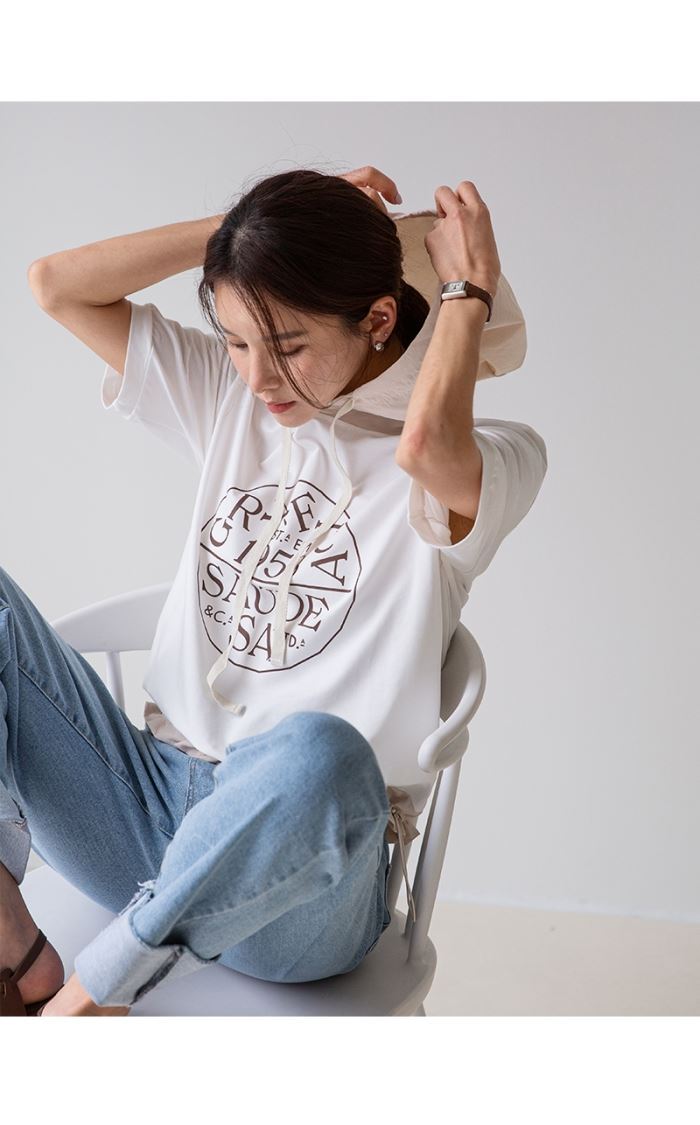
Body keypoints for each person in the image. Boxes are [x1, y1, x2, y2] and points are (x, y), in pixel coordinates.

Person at [0, 167, 547, 1016]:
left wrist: (465, 291)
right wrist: (245, 234)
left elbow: (425, 448)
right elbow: (55, 286)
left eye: (288, 346)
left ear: (379, 320)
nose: (259, 379)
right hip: (143, 805)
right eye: (235, 342)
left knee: (322, 751)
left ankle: (95, 993)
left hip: (303, 881)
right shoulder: (236, 400)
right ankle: (15, 945)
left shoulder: (501, 459)